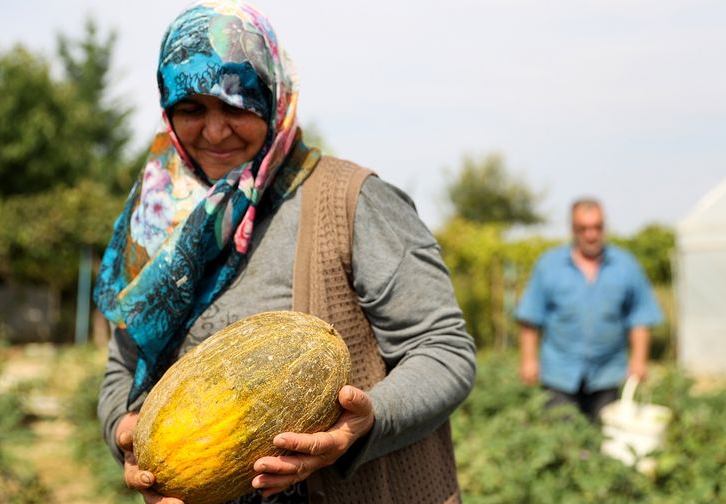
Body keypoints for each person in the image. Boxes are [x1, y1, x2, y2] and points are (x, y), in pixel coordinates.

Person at [93, 2, 476, 503]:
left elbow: (445, 349)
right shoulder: (154, 217)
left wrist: (363, 423)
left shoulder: (352, 199)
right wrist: (124, 432)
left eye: (235, 106)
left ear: (272, 100)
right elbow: (122, 365)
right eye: (191, 109)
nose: (213, 131)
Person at [514, 198, 663, 421]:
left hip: (608, 372)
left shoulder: (625, 265)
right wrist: (529, 360)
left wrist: (639, 360)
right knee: (563, 438)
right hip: (559, 373)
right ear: (572, 229)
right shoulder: (549, 265)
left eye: (597, 227)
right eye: (583, 229)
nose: (591, 235)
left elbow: (640, 315)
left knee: (606, 439)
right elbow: (531, 317)